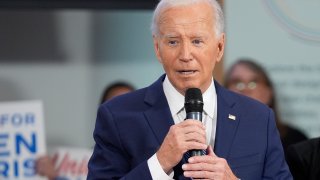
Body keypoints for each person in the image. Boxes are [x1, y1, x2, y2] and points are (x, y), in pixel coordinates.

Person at [87, 0, 292, 179]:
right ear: (158, 48)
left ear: (219, 47)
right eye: (173, 42)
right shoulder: (117, 116)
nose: (186, 55)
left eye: (197, 41)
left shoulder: (258, 118)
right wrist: (160, 163)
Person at [36, 81, 134, 180]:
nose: (121, 115)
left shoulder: (146, 159)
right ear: (103, 113)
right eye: (115, 107)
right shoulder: (96, 156)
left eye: (128, 107)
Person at [224, 59, 308, 156]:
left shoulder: (295, 140)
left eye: (253, 83)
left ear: (268, 93)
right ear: (224, 93)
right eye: (238, 83)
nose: (245, 89)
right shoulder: (215, 137)